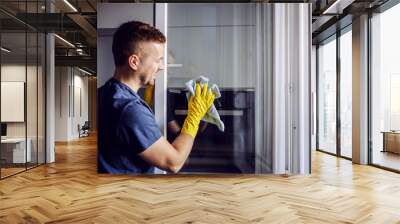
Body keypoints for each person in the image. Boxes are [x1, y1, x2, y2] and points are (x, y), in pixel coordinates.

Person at [97, 21, 215, 174]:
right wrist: (194, 117)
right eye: (158, 60)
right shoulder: (131, 109)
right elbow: (174, 163)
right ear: (134, 62)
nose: (162, 66)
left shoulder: (104, 92)